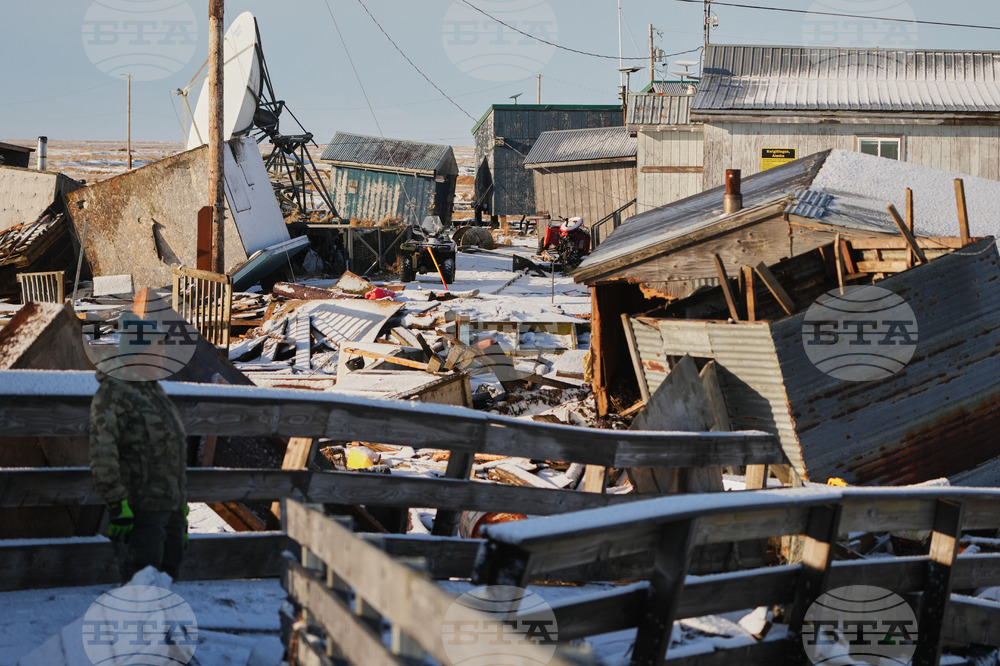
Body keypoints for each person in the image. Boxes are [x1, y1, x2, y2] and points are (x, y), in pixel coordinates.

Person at [89, 293, 189, 583]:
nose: (163, 355)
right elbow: (102, 453)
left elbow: (172, 449)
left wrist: (181, 504)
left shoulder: (155, 392)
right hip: (140, 511)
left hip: (169, 510)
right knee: (141, 585)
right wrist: (117, 504)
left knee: (167, 580)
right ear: (138, 352)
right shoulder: (115, 392)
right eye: (157, 348)